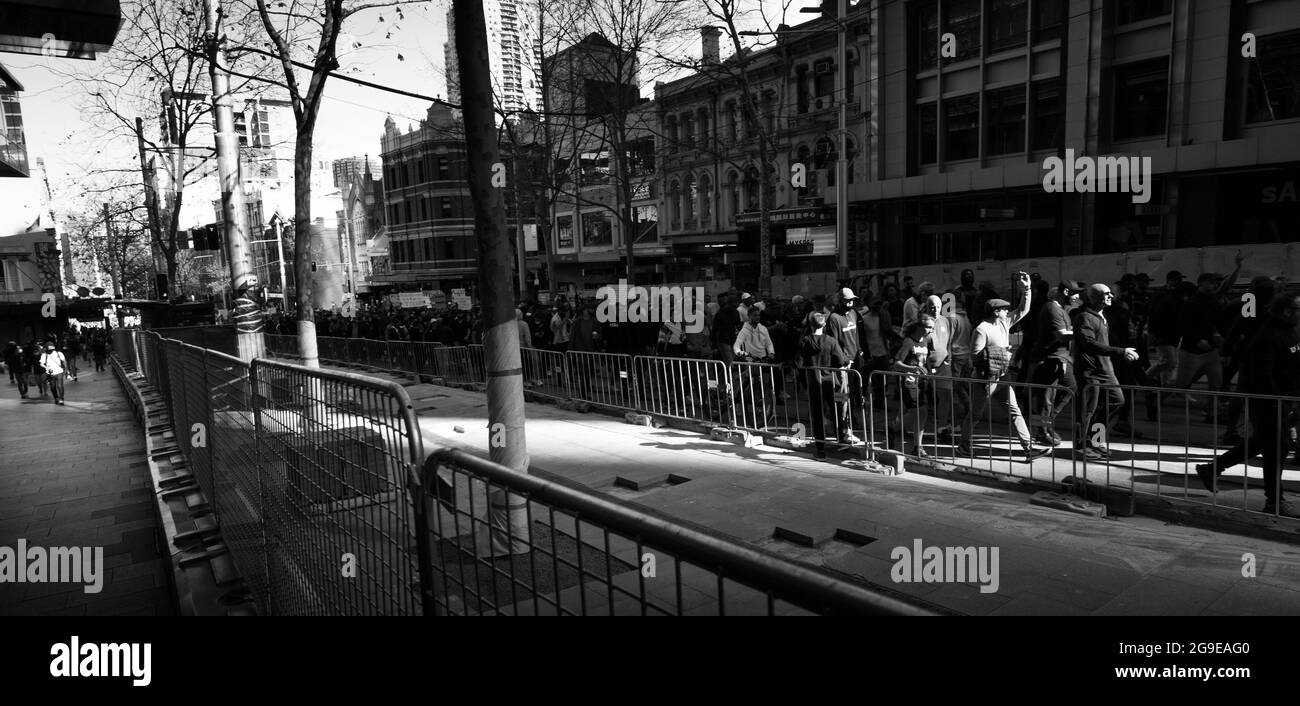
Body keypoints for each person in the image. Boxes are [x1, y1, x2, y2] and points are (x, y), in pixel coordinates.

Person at [1194, 293, 1300, 517]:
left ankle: (1211, 468)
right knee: (1276, 450)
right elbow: (1262, 375)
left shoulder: (1291, 331)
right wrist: (1276, 401)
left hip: (1285, 399)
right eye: (1298, 309)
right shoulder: (1268, 336)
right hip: (1269, 401)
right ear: (1286, 311)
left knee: (1262, 443)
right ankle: (1274, 501)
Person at [970, 272, 1051, 462]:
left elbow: (1023, 309)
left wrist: (1027, 289)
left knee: (1015, 411)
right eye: (1005, 309)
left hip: (1002, 376)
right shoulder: (982, 329)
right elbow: (974, 356)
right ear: (996, 312)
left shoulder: (1005, 322)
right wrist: (999, 352)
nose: (1008, 311)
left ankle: (1028, 448)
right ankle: (964, 446)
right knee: (975, 414)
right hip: (985, 378)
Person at [1073, 284, 1140, 461]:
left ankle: (1096, 440)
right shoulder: (1085, 317)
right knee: (1087, 411)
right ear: (1094, 298)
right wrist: (1121, 351)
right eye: (1106, 293)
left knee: (1117, 401)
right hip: (1090, 372)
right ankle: (1081, 446)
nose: (1111, 295)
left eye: (1111, 293)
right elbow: (1089, 343)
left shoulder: (1103, 316)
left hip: (1106, 370)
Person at [1030, 281, 1083, 447]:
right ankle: (1041, 431)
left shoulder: (1061, 310)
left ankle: (1046, 424)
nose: (1077, 297)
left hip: (1060, 358)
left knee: (1071, 388)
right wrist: (1084, 333)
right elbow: (1061, 335)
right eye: (1075, 293)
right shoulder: (1052, 308)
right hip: (1049, 359)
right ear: (1065, 291)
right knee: (1046, 397)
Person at [799, 310, 850, 459]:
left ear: (810, 325)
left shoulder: (805, 340)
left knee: (817, 414)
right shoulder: (831, 341)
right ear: (825, 324)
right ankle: (840, 441)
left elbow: (799, 362)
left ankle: (820, 449)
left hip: (814, 381)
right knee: (836, 410)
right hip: (830, 381)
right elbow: (841, 360)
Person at [892, 315, 935, 457]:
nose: (931, 330)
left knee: (921, 413)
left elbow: (924, 361)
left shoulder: (925, 341)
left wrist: (929, 369)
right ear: (919, 327)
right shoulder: (908, 342)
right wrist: (913, 369)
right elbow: (896, 364)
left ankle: (914, 443)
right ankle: (898, 430)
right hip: (909, 383)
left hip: (922, 383)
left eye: (932, 328)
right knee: (919, 413)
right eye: (929, 327)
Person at [828, 287, 866, 445]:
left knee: (853, 396)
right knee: (842, 397)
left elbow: (857, 335)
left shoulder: (854, 313)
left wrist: (861, 351)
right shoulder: (834, 318)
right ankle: (842, 431)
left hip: (855, 362)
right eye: (847, 300)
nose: (850, 303)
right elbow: (833, 343)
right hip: (842, 365)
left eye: (852, 300)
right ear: (840, 301)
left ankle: (848, 427)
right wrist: (843, 360)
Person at [39, 341, 68, 406]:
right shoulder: (44, 355)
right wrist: (46, 367)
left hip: (59, 372)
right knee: (52, 387)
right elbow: (41, 364)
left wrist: (66, 369)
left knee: (60, 386)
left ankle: (61, 399)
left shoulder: (59, 353)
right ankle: (56, 398)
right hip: (50, 373)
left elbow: (64, 361)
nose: (51, 350)